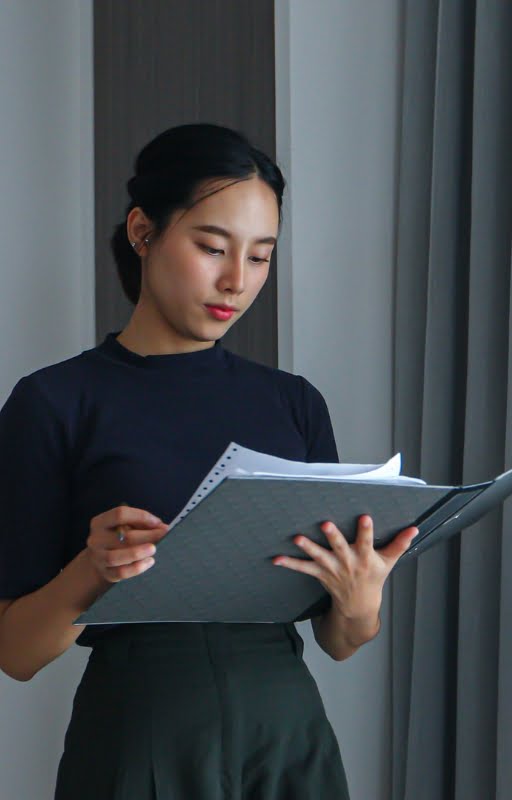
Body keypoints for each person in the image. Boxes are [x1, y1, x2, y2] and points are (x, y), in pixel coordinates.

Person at [0, 122, 418, 799]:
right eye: (212, 247)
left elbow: (340, 641)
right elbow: (14, 653)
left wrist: (361, 600)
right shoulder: (54, 402)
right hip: (140, 732)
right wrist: (91, 569)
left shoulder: (295, 404)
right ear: (143, 231)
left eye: (260, 256)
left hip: (289, 735)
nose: (236, 281)